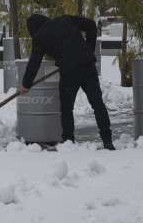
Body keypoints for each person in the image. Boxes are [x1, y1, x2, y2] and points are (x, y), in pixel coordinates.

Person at [20, 13, 115, 150]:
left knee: (66, 108)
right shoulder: (64, 19)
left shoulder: (39, 37)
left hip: (70, 72)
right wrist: (88, 49)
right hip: (87, 65)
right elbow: (91, 25)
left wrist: (25, 84)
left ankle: (69, 142)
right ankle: (107, 141)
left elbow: (34, 63)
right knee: (97, 104)